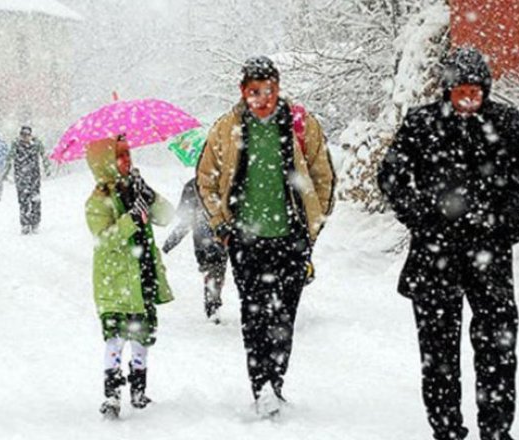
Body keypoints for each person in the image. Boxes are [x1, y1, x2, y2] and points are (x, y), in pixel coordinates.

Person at [377, 47, 519, 440]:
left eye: (476, 91)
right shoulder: (422, 123)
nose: (468, 99)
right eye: (460, 91)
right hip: (435, 256)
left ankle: (497, 431)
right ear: (446, 90)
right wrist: (422, 217)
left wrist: (508, 221)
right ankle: (446, 429)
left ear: (486, 89)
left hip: (491, 255)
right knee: (438, 354)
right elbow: (392, 176)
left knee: (498, 349)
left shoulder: (505, 122)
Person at [196, 55, 335, 417]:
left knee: (284, 316)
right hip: (245, 240)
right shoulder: (227, 128)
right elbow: (206, 178)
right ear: (243, 92)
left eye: (269, 90)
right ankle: (261, 386)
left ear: (278, 88)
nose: (263, 98)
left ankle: (277, 381)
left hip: (290, 238)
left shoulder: (300, 124)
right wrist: (221, 222)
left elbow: (323, 174)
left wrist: (311, 226)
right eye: (254, 91)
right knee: (255, 315)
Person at [84, 135, 175, 419]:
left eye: (128, 154)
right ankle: (111, 393)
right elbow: (104, 238)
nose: (127, 159)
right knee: (115, 337)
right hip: (117, 280)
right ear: (105, 163)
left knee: (142, 335)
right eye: (119, 155)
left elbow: (167, 215)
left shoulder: (135, 190)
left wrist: (148, 195)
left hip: (143, 273)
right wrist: (130, 220)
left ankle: (139, 389)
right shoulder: (98, 201)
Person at [162, 177, 228, 323]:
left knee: (214, 270)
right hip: (215, 238)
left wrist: (170, 243)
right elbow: (186, 221)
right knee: (216, 270)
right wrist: (170, 243)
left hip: (206, 239)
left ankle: (213, 303)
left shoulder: (192, 185)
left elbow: (185, 221)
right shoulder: (222, 182)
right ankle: (213, 304)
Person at [5, 125, 46, 234]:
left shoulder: (36, 144)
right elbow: (9, 158)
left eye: (27, 135)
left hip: (34, 176)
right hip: (21, 177)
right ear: (20, 135)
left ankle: (35, 223)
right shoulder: (16, 144)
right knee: (23, 201)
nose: (25, 137)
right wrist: (5, 172)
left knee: (35, 200)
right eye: (23, 135)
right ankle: (25, 224)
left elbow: (44, 155)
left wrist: (47, 167)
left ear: (31, 135)